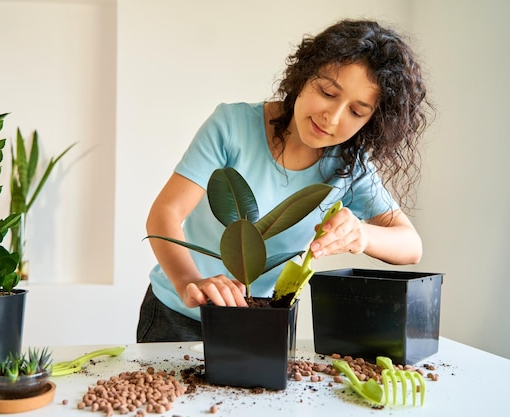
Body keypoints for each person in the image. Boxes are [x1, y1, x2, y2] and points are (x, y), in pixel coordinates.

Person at [138, 19, 433, 343]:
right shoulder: (232, 126)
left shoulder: (350, 165)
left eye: (357, 111)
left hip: (264, 327)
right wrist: (190, 283)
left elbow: (410, 245)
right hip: (177, 317)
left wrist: (360, 234)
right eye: (327, 92)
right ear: (305, 74)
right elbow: (164, 214)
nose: (332, 118)